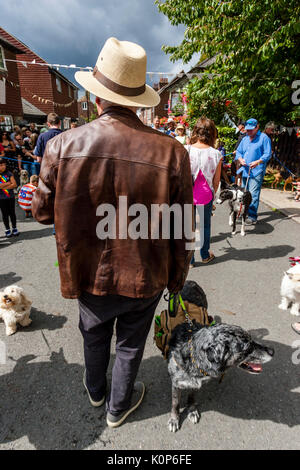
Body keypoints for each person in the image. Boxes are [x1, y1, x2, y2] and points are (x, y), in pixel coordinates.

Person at [32, 37, 193, 428]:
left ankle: (97, 390)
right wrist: (177, 278)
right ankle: (117, 408)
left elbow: (40, 213)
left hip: (88, 272)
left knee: (94, 334)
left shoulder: (63, 145)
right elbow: (183, 228)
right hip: (146, 273)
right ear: (139, 100)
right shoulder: (172, 153)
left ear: (98, 97)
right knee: (131, 343)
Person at [186, 117, 222, 266]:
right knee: (205, 226)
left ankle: (190, 260)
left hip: (187, 193)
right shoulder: (216, 154)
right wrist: (213, 198)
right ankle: (205, 254)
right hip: (205, 194)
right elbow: (216, 180)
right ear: (212, 133)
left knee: (188, 226)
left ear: (195, 132)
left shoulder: (185, 149)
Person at [235, 118, 272, 224]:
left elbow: (267, 154)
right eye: (247, 129)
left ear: (257, 127)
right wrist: (240, 159)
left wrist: (258, 161)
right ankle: (243, 214)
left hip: (257, 171)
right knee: (244, 193)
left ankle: (252, 216)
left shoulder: (264, 138)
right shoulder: (245, 138)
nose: (249, 131)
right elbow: (238, 151)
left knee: (253, 194)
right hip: (245, 170)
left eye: (251, 129)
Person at [0, 158, 19, 237]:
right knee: (4, 214)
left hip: (10, 197)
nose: (3, 166)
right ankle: (7, 229)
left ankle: (14, 228)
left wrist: (2, 186)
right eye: (1, 165)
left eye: (4, 165)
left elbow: (14, 184)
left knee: (12, 213)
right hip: (1, 198)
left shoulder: (9, 173)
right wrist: (8, 183)